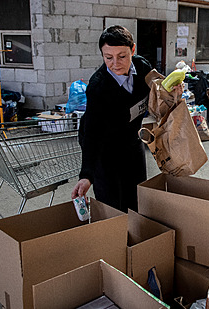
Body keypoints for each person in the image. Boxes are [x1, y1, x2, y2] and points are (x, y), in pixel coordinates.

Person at [71, 25, 152, 213]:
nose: (115, 63)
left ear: (133, 50)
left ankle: (138, 239)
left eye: (122, 56)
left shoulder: (142, 67)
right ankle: (114, 239)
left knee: (138, 197)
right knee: (113, 204)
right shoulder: (98, 87)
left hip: (131, 140)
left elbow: (158, 90)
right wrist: (87, 175)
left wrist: (172, 91)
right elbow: (92, 133)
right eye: (108, 57)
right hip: (104, 147)